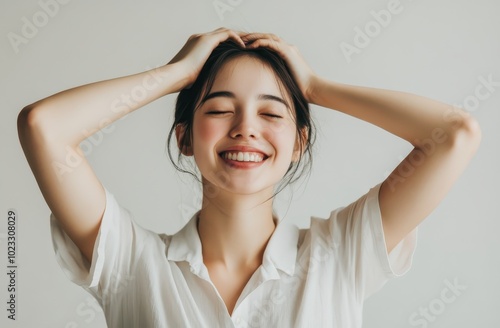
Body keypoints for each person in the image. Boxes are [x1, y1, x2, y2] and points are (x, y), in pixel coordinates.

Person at [17, 28, 481, 327]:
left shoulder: (339, 254)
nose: (245, 128)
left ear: (299, 143)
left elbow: (453, 136)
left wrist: (317, 88)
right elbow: (44, 126)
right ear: (184, 138)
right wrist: (175, 73)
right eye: (219, 109)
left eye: (270, 113)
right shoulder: (130, 264)